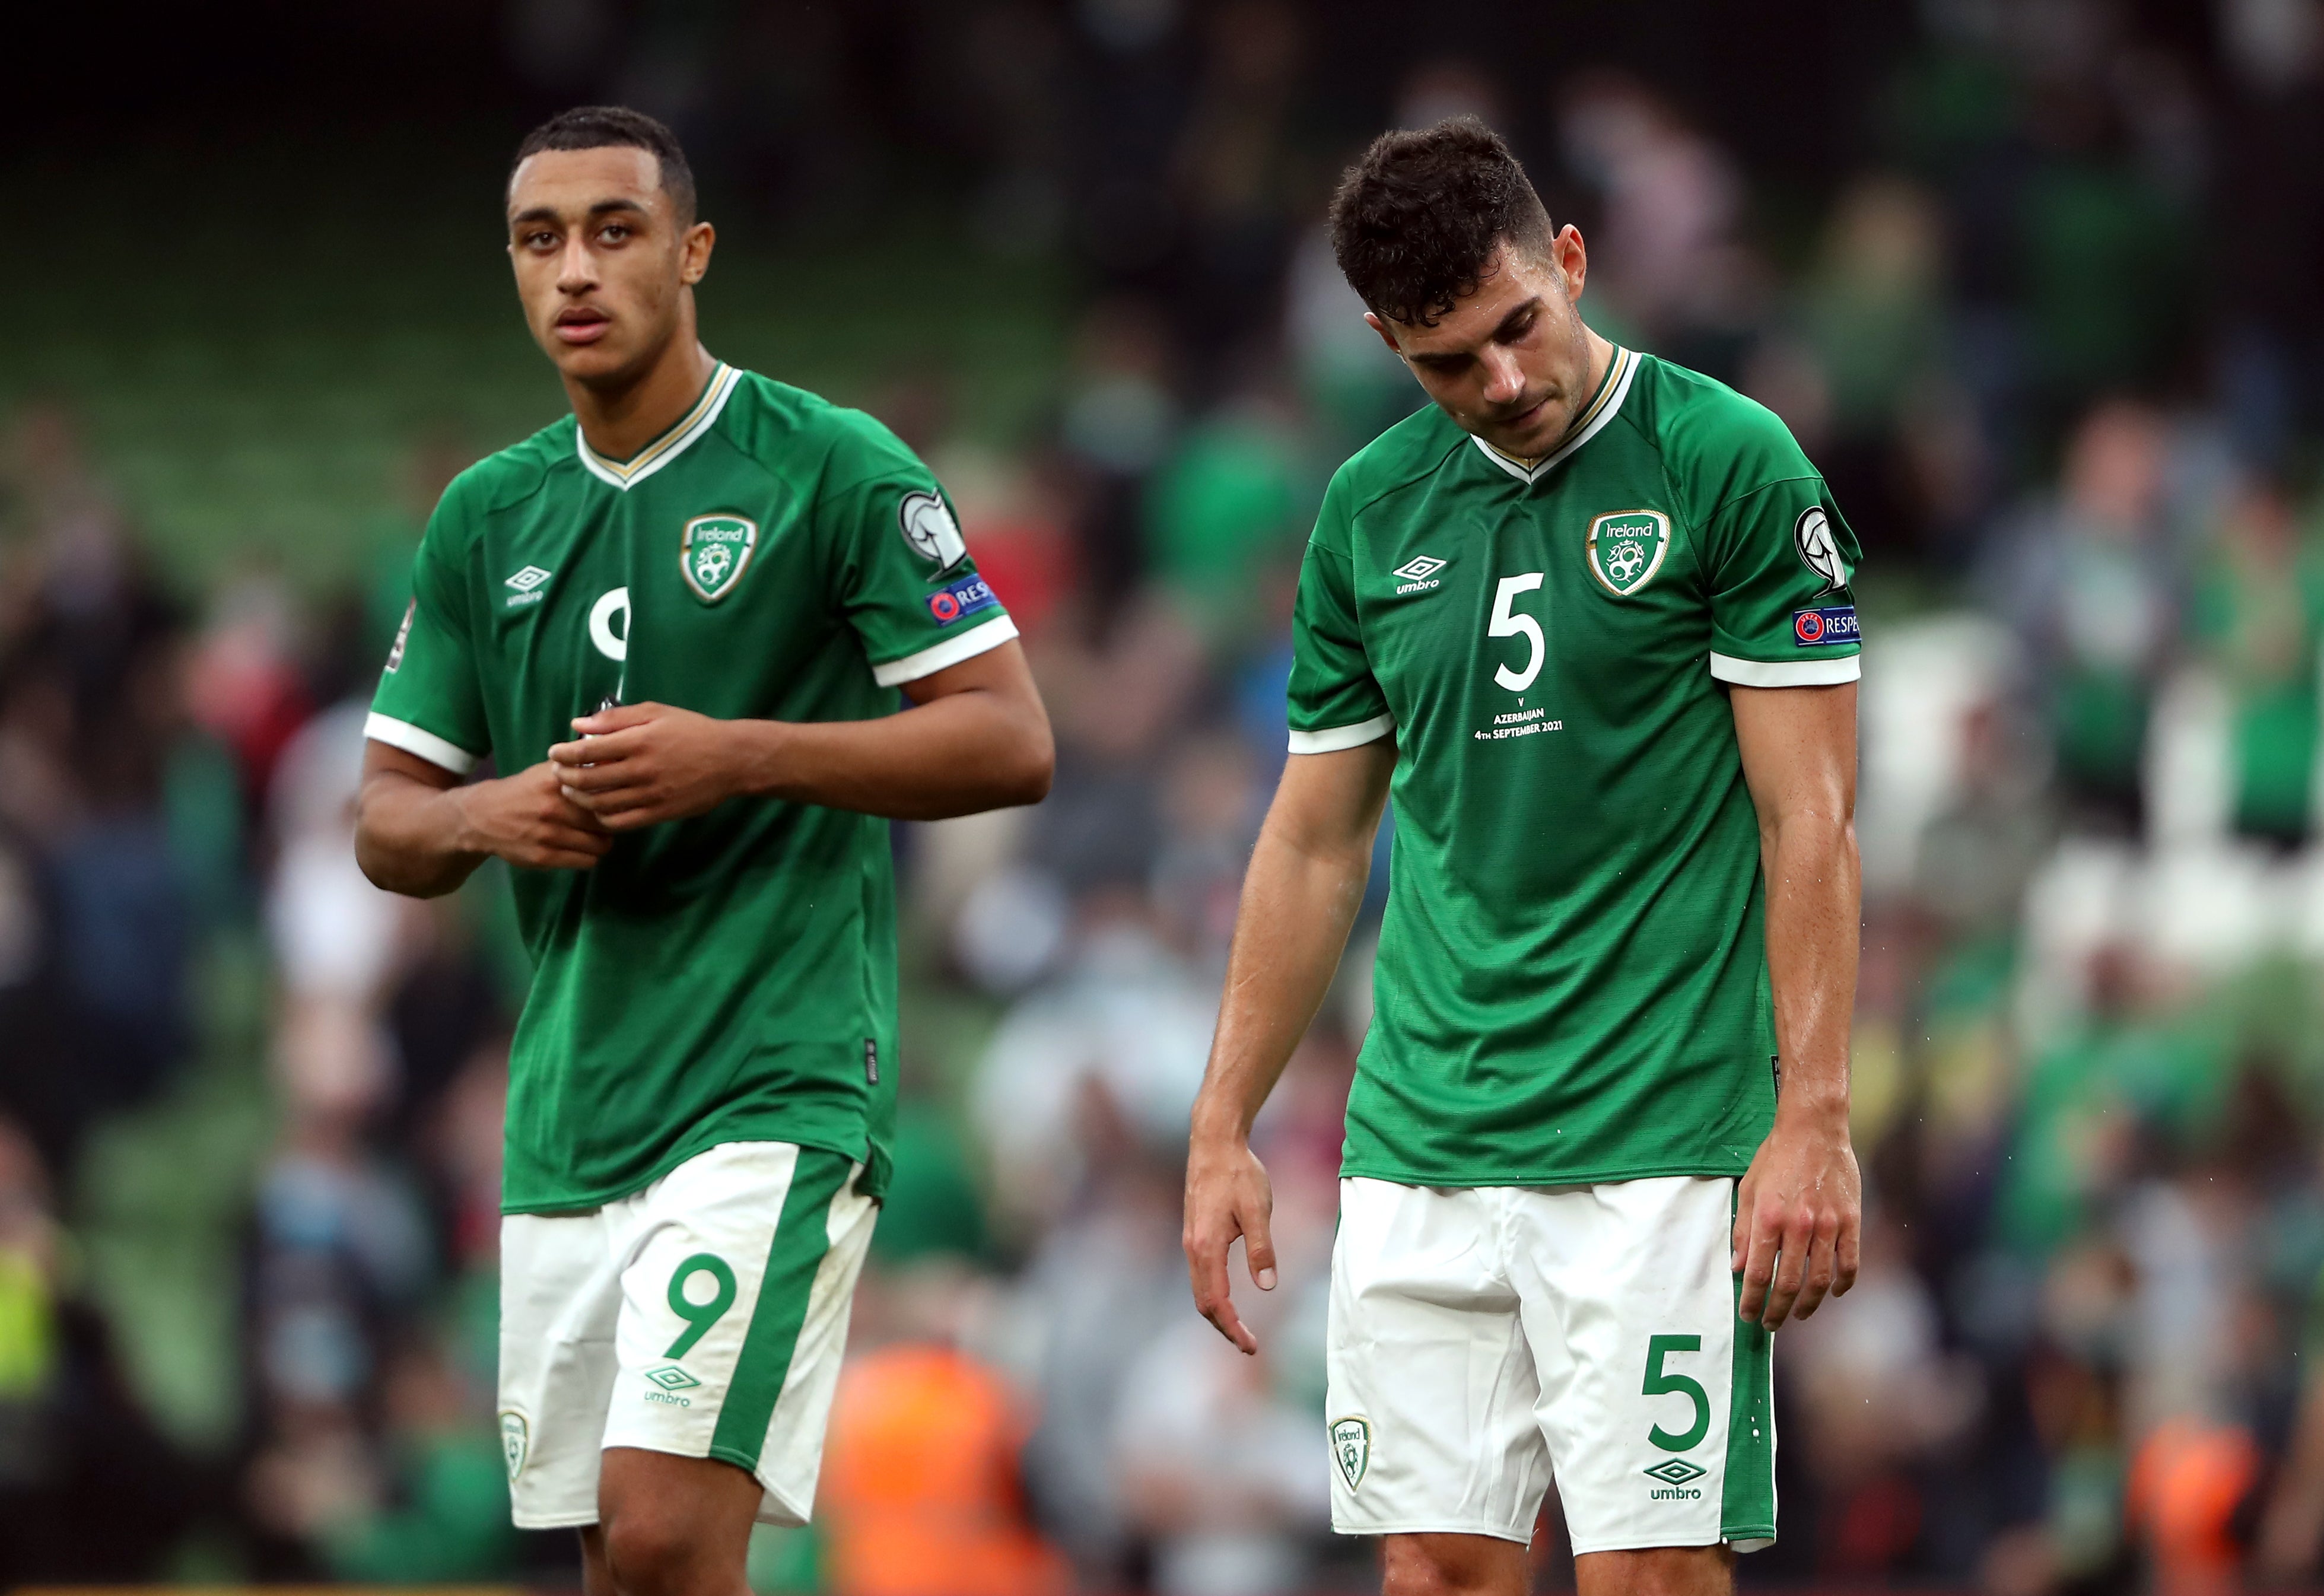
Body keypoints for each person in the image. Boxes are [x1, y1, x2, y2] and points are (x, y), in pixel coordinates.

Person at [351, 106, 1053, 1596]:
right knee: (627, 1558)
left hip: (770, 1074)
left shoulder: (832, 466)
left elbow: (1010, 738)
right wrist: (492, 816)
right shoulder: (486, 515)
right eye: (540, 241)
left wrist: (739, 752)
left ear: (694, 249)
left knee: (668, 1529)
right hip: (570, 1099)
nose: (575, 272)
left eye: (614, 230)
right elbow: (387, 823)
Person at [1181, 117, 1863, 1596]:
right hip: (1426, 1132)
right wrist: (1223, 1116)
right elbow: (1310, 840)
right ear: (1380, 340)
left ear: (1569, 260)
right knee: (1433, 1572)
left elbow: (1809, 815)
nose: (1499, 383)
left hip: (1661, 1138)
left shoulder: (1729, 462)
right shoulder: (1370, 509)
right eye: (1445, 363)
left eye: (1517, 330)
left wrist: (1813, 1114)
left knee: (1649, 1580)